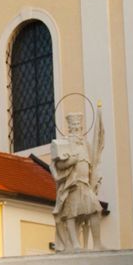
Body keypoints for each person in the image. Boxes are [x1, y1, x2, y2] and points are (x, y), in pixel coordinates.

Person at [50, 106, 104, 252]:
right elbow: (58, 164)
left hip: (86, 184)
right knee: (70, 213)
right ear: (69, 127)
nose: (76, 128)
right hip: (71, 184)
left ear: (81, 127)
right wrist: (71, 161)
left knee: (95, 210)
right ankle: (74, 245)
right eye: (73, 125)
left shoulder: (85, 143)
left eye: (78, 125)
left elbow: (91, 160)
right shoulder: (64, 143)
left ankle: (97, 244)